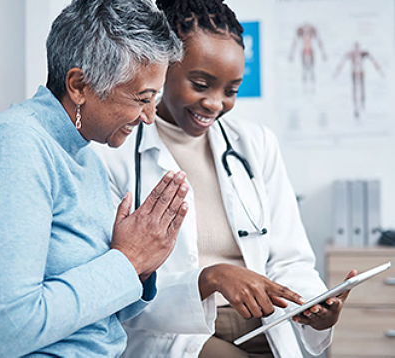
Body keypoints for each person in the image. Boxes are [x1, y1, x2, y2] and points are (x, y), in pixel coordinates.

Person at [0, 0, 187, 357]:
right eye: (142, 98)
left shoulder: (84, 156)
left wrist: (140, 266)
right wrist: (128, 261)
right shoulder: (11, 148)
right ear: (79, 85)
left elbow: (92, 316)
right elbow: (7, 329)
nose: (150, 117)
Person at [92, 0, 355, 357]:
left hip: (268, 322)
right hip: (174, 332)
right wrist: (209, 278)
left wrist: (310, 306)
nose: (215, 104)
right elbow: (114, 285)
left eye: (230, 91)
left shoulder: (255, 143)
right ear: (163, 66)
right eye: (201, 84)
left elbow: (289, 259)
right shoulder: (113, 153)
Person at [333, 41, 384, 119]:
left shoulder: (362, 53)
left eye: (357, 48)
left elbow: (372, 60)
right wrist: (337, 72)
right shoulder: (351, 53)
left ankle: (362, 103)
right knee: (355, 89)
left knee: (361, 88)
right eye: (355, 48)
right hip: (354, 72)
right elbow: (342, 62)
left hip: (360, 72)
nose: (356, 49)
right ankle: (356, 107)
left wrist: (379, 70)